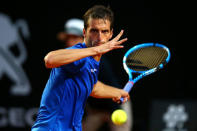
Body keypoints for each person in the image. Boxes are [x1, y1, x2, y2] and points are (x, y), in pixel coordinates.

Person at [31, 5, 130, 131]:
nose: (99, 37)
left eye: (104, 31)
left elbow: (93, 86)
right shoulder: (78, 54)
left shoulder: (93, 61)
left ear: (110, 34)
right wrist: (97, 49)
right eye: (94, 31)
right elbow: (50, 59)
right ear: (84, 32)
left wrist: (116, 92)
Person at [57, 18, 133, 131]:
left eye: (74, 38)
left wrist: (117, 109)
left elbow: (109, 85)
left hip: (116, 103)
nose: (69, 42)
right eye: (68, 38)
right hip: (94, 109)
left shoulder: (96, 61)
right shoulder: (67, 62)